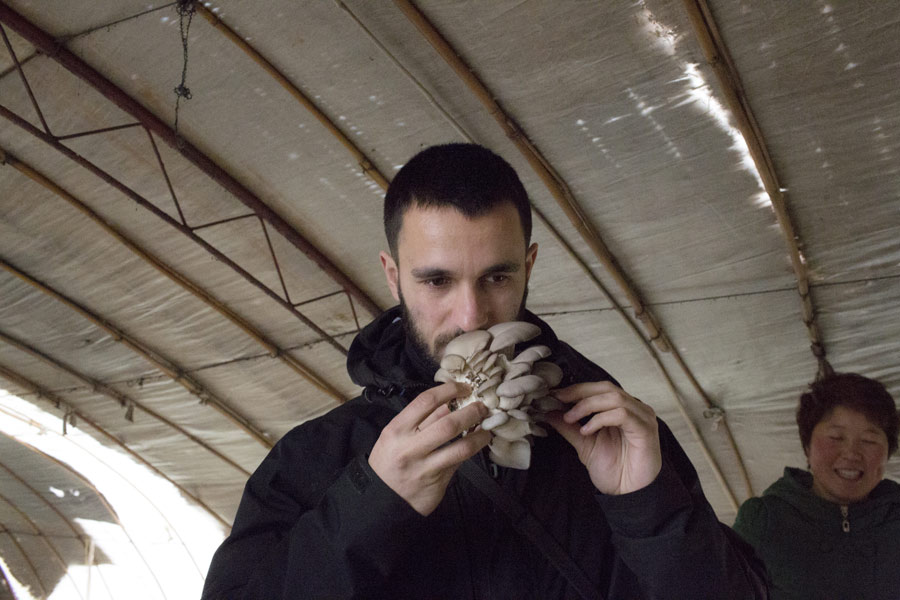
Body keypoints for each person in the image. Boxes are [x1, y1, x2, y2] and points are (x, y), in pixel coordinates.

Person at [201, 143, 767, 599]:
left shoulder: (612, 432)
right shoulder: (315, 458)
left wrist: (649, 509)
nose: (470, 315)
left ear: (529, 265)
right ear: (393, 276)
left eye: (496, 277)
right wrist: (368, 506)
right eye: (437, 281)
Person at [733, 372, 900, 599]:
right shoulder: (765, 521)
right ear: (807, 447)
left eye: (869, 441)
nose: (852, 453)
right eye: (836, 437)